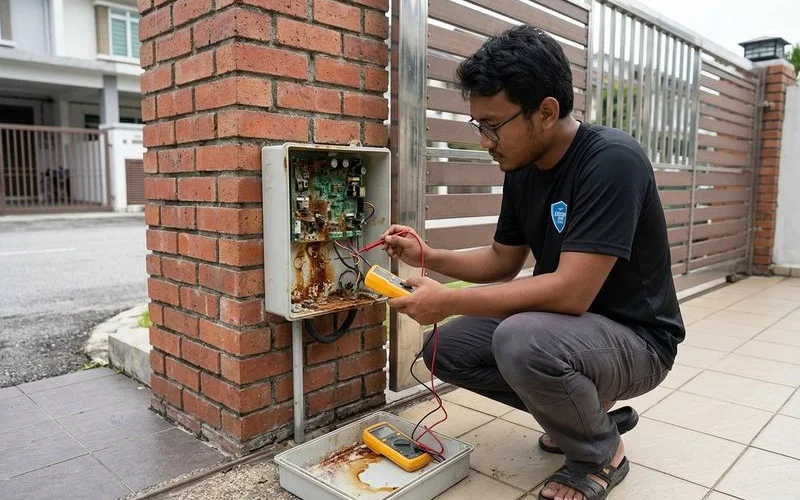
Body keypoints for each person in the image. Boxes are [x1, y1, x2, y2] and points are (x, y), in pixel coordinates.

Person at [381, 25, 685, 500]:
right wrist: (429, 256)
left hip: (639, 341)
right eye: (477, 125)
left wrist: (447, 301)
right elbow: (503, 259)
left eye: (493, 124)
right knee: (446, 348)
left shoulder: (611, 161)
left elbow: (570, 291)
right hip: (569, 329)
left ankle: (599, 452)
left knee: (521, 340)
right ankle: (583, 416)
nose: (485, 140)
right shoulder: (522, 168)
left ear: (546, 111)